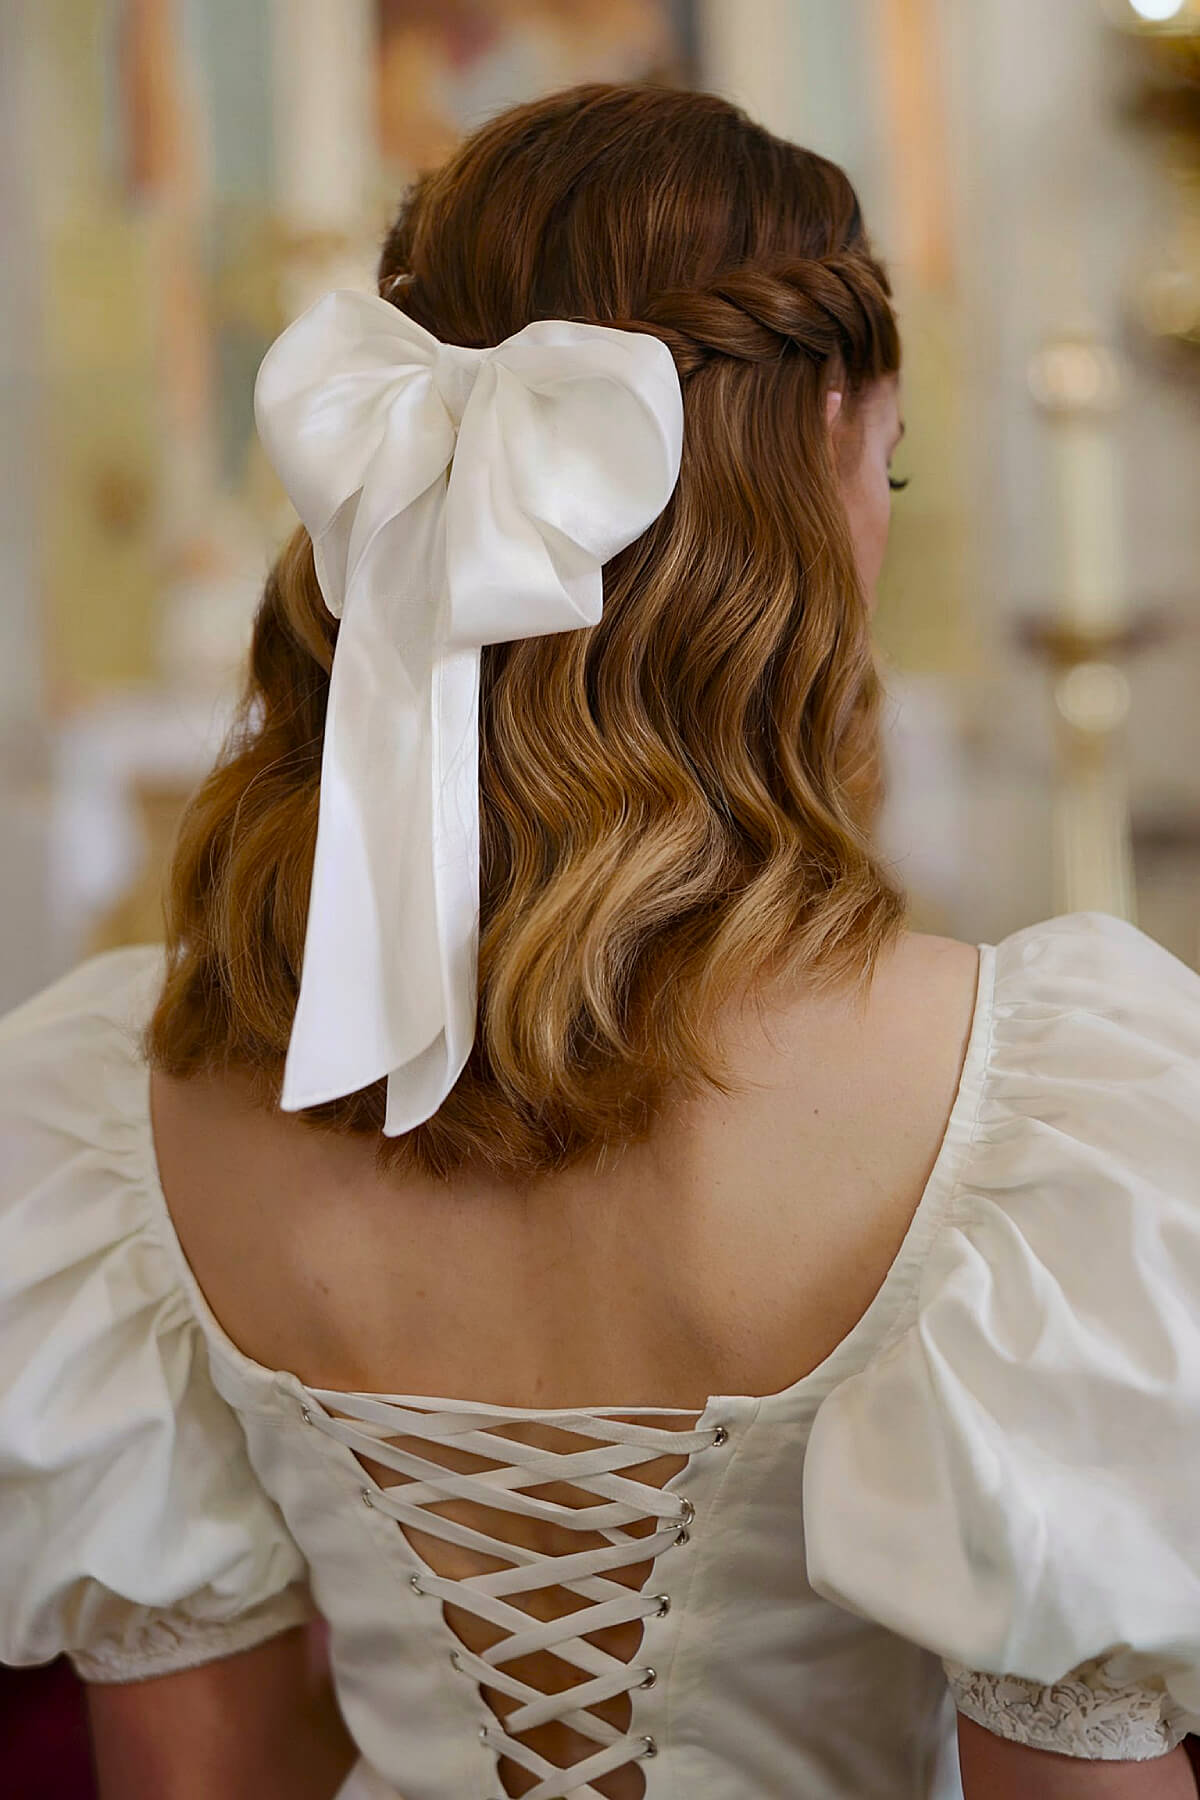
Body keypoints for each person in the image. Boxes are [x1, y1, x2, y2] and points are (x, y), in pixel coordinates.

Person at [2, 80, 1199, 1800]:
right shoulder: (1035, 1118)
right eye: (893, 464)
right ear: (819, 464)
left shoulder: (120, 1118)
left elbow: (200, 1778)